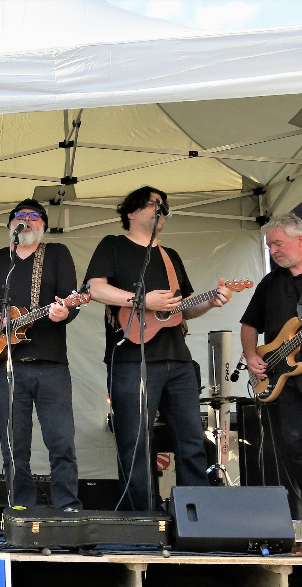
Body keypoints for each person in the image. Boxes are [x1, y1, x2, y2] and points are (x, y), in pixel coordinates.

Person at [84, 186, 230, 511]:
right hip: (130, 360)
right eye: (153, 204)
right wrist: (141, 300)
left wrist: (211, 301)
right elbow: (94, 289)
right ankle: (143, 518)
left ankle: (197, 517)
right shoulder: (113, 245)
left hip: (178, 359)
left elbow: (183, 308)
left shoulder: (170, 256)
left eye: (163, 205)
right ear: (131, 213)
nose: (160, 209)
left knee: (191, 441)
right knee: (136, 442)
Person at [0, 199, 82, 509]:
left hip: (52, 366)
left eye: (34, 216)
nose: (27, 219)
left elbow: (72, 301)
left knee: (61, 442)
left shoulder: (57, 254)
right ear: (11, 224)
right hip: (6, 366)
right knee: (14, 448)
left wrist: (64, 312)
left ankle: (67, 508)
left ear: (44, 225)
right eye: (21, 215)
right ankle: (20, 510)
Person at [240, 212, 302, 541]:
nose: (273, 251)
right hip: (286, 381)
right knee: (298, 447)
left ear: (300, 240)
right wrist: (251, 355)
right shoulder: (271, 283)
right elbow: (249, 324)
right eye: (269, 245)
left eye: (278, 244)